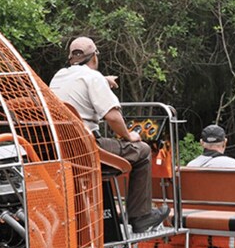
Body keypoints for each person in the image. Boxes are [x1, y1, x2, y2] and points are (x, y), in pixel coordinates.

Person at [49, 36, 169, 234]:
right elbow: (112, 117)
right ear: (94, 57)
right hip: (88, 149)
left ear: (71, 59)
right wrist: (128, 136)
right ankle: (140, 216)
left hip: (63, 149)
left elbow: (80, 83)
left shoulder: (58, 76)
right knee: (143, 150)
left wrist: (103, 81)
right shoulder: (93, 77)